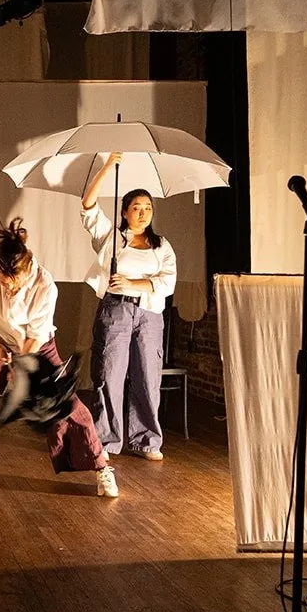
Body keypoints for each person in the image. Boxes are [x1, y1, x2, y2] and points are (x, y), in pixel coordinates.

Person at [0, 219, 118, 498]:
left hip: (36, 346)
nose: (9, 290)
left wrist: (21, 367)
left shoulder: (45, 284)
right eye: (4, 283)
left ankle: (101, 468)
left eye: (15, 285)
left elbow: (33, 338)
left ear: (28, 271)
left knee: (64, 405)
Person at [81, 154, 179, 461]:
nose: (143, 212)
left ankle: (147, 440)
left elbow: (167, 282)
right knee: (108, 374)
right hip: (116, 310)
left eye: (148, 207)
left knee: (147, 376)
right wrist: (107, 168)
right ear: (124, 211)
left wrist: (133, 283)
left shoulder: (161, 245)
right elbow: (87, 205)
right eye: (136, 207)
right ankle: (106, 440)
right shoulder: (111, 238)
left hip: (149, 314)